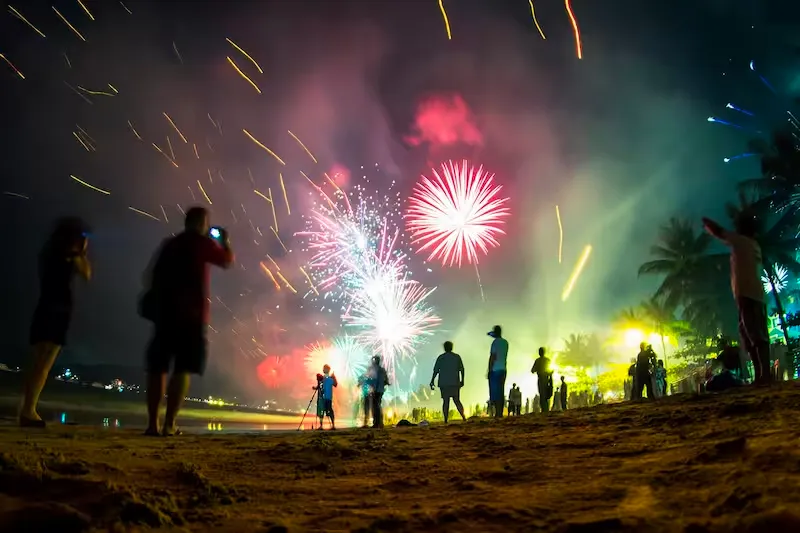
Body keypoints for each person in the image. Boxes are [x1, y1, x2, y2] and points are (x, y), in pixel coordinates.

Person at [140, 207, 234, 436]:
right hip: (192, 318)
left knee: (158, 368)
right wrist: (225, 240)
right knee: (182, 370)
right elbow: (227, 261)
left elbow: (149, 277)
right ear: (202, 222)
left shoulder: (170, 244)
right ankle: (169, 424)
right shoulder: (202, 244)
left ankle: (152, 424)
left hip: (164, 316)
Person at [20, 217, 92, 427]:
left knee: (35, 361)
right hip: (59, 310)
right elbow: (87, 273)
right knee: (44, 361)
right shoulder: (72, 256)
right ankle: (29, 410)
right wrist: (82, 251)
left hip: (44, 306)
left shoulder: (48, 253)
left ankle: (25, 408)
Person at [702, 214, 770, 384]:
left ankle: (765, 375)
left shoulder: (741, 242)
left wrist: (705, 221)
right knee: (750, 335)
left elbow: (720, 232)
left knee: (755, 335)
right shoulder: (752, 245)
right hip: (751, 295)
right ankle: (762, 374)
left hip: (748, 294)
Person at [429, 341, 466, 423]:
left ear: (444, 348)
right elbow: (462, 369)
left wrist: (432, 381)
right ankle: (463, 417)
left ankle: (445, 420)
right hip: (454, 383)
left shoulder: (441, 358)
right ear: (452, 347)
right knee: (457, 400)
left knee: (446, 402)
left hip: (444, 383)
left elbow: (435, 371)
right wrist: (462, 380)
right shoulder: (456, 357)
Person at [486, 325, 509, 418]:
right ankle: (500, 412)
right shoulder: (505, 342)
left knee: (494, 392)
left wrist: (489, 369)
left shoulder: (495, 343)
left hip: (495, 370)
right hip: (503, 369)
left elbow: (493, 357)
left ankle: (497, 413)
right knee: (501, 391)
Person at [368, 355, 390, 428]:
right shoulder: (382, 370)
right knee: (378, 406)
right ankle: (380, 423)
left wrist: (373, 389)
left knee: (375, 407)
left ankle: (376, 423)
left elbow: (373, 380)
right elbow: (386, 381)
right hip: (381, 390)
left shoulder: (375, 370)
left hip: (376, 390)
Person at [531, 347, 553, 413]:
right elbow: (550, 370)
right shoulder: (548, 360)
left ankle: (544, 409)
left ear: (539, 353)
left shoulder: (537, 361)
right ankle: (546, 409)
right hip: (547, 379)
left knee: (542, 395)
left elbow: (532, 370)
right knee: (546, 395)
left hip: (540, 379)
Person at [320, 364, 338, 430]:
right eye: (324, 368)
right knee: (322, 411)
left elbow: (335, 384)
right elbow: (320, 386)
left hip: (328, 398)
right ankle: (321, 426)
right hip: (323, 397)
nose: (323, 370)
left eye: (325, 368)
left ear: (328, 370)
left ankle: (333, 425)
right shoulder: (323, 378)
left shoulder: (330, 378)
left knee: (329, 411)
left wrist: (334, 377)